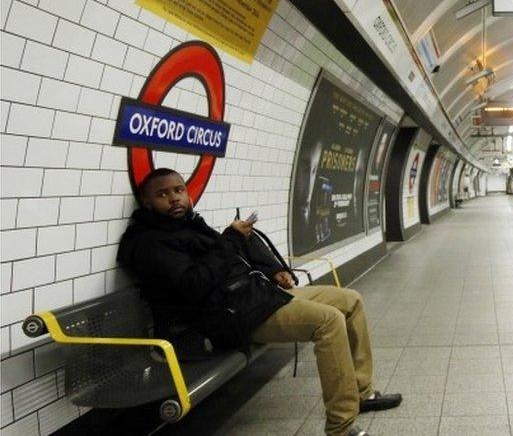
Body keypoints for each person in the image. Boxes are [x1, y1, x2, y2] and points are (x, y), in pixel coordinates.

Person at [117, 168, 400, 436]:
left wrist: (271, 271)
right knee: (328, 321)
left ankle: (362, 393)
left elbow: (231, 263)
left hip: (252, 297)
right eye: (162, 194)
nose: (174, 197)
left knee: (350, 300)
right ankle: (340, 425)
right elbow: (195, 285)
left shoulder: (190, 227)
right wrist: (230, 238)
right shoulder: (149, 244)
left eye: (179, 189)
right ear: (146, 202)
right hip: (224, 319)